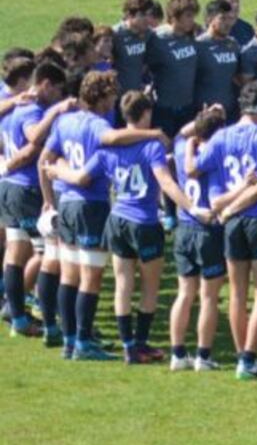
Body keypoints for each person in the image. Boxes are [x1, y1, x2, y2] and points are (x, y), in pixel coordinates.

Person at [44, 91, 209, 365]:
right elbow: (166, 184)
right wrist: (191, 208)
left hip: (117, 220)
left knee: (122, 284)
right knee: (149, 287)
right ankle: (141, 344)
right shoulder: (152, 146)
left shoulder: (107, 148)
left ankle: (127, 346)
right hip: (144, 222)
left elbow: (81, 176)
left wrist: (56, 171)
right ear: (145, 114)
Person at [39, 71, 167, 360]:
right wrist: (152, 133)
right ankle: (83, 341)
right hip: (91, 205)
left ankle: (70, 341)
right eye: (111, 96)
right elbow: (111, 137)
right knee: (90, 277)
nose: (114, 102)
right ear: (101, 97)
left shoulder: (64, 121)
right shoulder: (97, 124)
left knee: (69, 274)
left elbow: (43, 160)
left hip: (66, 202)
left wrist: (49, 200)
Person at [186, 81, 257, 380]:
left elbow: (192, 170)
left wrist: (190, 142)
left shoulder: (220, 137)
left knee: (237, 294)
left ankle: (245, 357)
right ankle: (248, 360)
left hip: (231, 223)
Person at [170, 107, 251, 372]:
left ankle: (178, 354)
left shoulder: (183, 147)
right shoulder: (214, 158)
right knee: (209, 297)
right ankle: (203, 356)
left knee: (184, 293)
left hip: (183, 228)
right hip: (208, 230)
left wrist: (200, 119)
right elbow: (219, 201)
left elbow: (182, 134)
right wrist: (245, 186)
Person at [0, 62, 67, 342]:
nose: (58, 97)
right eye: (57, 91)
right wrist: (56, 112)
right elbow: (34, 137)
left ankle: (16, 316)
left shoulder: (13, 108)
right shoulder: (32, 111)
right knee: (45, 254)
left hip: (9, 188)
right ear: (46, 84)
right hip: (26, 190)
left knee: (16, 252)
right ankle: (41, 316)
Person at [146, 0, 201, 139]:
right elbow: (145, 67)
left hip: (188, 106)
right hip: (165, 108)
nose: (192, 20)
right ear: (175, 16)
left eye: (193, 16)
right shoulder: (158, 39)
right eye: (188, 16)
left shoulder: (192, 36)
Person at [195, 0, 242, 123]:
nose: (228, 23)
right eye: (222, 19)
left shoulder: (233, 44)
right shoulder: (199, 46)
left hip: (231, 112)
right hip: (206, 113)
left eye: (229, 19)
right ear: (210, 19)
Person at [112, 0, 154, 93]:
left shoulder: (149, 35)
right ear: (130, 15)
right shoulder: (116, 34)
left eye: (149, 14)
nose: (147, 19)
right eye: (143, 15)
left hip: (138, 93)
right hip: (118, 96)